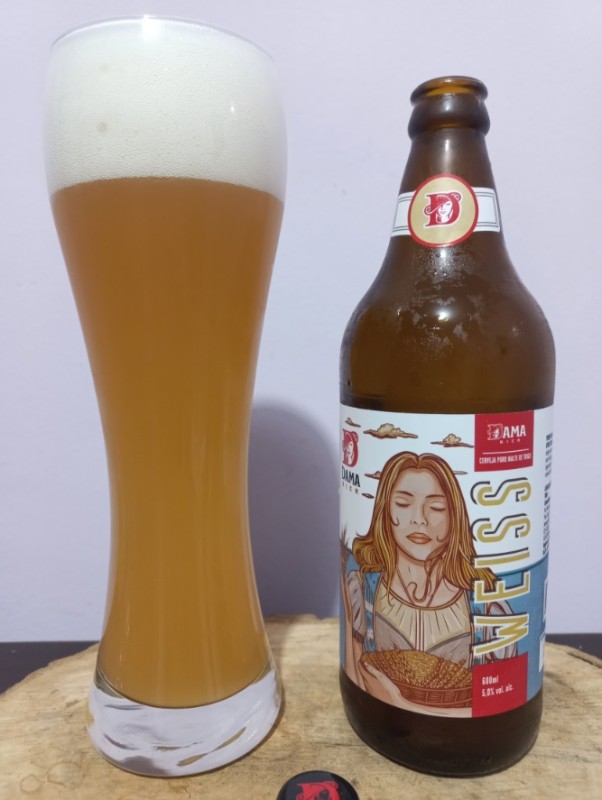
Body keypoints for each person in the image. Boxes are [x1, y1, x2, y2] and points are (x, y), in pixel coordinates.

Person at [341, 451, 514, 712]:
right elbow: (356, 676)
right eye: (402, 503)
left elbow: (500, 702)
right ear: (384, 509)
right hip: (377, 718)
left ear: (454, 516)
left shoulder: (487, 604)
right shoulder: (361, 587)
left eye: (436, 508)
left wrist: (399, 703)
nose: (419, 519)